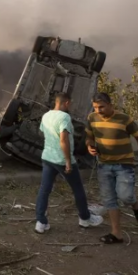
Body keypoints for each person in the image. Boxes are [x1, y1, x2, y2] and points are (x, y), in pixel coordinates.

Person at [86, 92, 138, 244]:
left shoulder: (124, 119)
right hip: (104, 165)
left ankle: (137, 205)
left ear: (111, 105)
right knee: (109, 199)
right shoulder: (92, 118)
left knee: (126, 197)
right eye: (95, 107)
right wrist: (90, 146)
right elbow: (89, 137)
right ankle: (116, 233)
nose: (98, 110)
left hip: (124, 165)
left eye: (101, 107)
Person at [34, 92, 103, 234]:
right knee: (78, 189)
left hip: (47, 157)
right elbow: (63, 140)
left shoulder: (46, 115)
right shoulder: (65, 117)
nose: (69, 106)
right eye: (69, 104)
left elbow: (42, 133)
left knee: (44, 190)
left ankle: (41, 222)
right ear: (66, 103)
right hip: (61, 159)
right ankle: (85, 218)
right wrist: (68, 162)